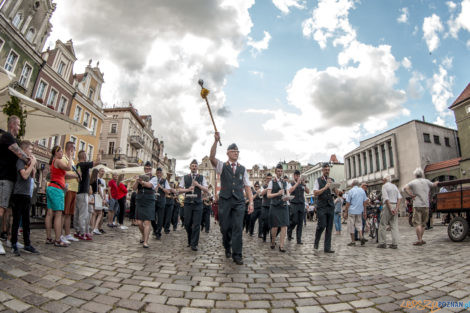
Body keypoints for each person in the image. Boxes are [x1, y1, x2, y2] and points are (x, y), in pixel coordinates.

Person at [210, 133, 253, 265]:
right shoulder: (222, 166)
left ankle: (237, 254)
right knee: (225, 227)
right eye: (233, 151)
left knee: (238, 227)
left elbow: (247, 187)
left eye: (237, 151)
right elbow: (212, 158)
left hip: (239, 201)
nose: (236, 153)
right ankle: (227, 245)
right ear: (228, 153)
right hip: (225, 201)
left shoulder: (242, 169)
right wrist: (216, 141)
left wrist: (251, 202)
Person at [0, 116, 30, 255]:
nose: (19, 127)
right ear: (12, 125)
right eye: (18, 125)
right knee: (1, 208)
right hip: (5, 178)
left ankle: (10, 238)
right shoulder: (7, 137)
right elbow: (17, 151)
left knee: (11, 211)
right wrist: (29, 160)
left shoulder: (15, 139)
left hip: (14, 181)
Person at [10, 140, 39, 255]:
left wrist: (33, 167)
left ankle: (27, 244)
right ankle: (14, 244)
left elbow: (31, 176)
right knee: (16, 220)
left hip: (27, 194)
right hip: (19, 194)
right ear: (24, 150)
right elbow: (24, 175)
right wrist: (31, 164)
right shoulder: (20, 161)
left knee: (27, 221)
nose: (32, 151)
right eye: (30, 149)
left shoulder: (27, 162)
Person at [45, 145, 73, 247]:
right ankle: (57, 239)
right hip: (57, 189)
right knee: (58, 214)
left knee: (49, 213)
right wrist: (70, 157)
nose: (62, 153)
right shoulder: (58, 161)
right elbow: (68, 167)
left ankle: (49, 237)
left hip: (51, 187)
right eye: (60, 151)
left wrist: (74, 175)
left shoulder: (54, 162)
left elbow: (63, 174)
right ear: (56, 153)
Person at [179, 160, 209, 251]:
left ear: (197, 168)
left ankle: (194, 244)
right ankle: (190, 239)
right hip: (188, 203)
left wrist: (198, 185)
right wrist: (187, 189)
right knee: (187, 223)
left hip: (198, 203)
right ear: (190, 167)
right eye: (193, 166)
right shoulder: (185, 177)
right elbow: (179, 189)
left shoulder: (201, 177)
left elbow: (206, 190)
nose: (194, 167)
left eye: (196, 166)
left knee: (196, 224)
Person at [404, 168, 438, 246]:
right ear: (422, 174)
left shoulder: (413, 182)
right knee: (423, 224)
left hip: (417, 204)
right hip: (426, 204)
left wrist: (411, 195)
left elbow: (405, 188)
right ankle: (421, 239)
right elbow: (434, 185)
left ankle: (419, 239)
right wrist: (436, 183)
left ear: (415, 175)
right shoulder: (426, 181)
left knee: (417, 223)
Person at [75, 150, 101, 240]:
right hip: (82, 193)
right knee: (83, 213)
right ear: (84, 157)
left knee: (78, 213)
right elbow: (97, 162)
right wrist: (99, 154)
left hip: (78, 192)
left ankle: (78, 231)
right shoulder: (84, 165)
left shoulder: (78, 165)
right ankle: (83, 233)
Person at [267, 164, 291, 252]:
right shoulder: (271, 182)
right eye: (278, 171)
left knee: (284, 225)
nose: (280, 172)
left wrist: (288, 196)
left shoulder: (285, 182)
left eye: (281, 171)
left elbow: (287, 192)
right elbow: (268, 195)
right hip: (275, 206)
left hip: (284, 205)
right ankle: (273, 241)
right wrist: (277, 193)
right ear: (275, 172)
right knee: (275, 226)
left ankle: (281, 246)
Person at [133, 161, 158, 248]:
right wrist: (137, 181)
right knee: (139, 223)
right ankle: (143, 235)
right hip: (140, 200)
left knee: (147, 221)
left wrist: (142, 182)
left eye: (149, 168)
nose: (148, 170)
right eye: (146, 168)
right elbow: (134, 188)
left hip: (149, 201)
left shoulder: (154, 178)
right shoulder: (141, 176)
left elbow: (149, 185)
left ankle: (146, 241)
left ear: (151, 170)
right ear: (144, 169)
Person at [313, 163, 336, 253]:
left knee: (329, 227)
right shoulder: (318, 180)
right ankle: (316, 241)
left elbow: (336, 193)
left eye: (328, 169)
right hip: (321, 206)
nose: (327, 171)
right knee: (322, 225)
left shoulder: (332, 180)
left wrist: (335, 189)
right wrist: (325, 187)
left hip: (330, 205)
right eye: (326, 169)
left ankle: (327, 248)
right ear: (322, 170)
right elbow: (315, 193)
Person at [377, 175, 402, 249]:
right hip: (395, 204)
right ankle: (395, 243)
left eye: (383, 179)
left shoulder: (384, 186)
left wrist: (390, 208)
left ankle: (382, 242)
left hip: (388, 206)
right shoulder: (394, 186)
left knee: (383, 224)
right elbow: (399, 198)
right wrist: (397, 208)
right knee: (394, 225)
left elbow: (386, 198)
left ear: (385, 179)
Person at [62, 141, 79, 244]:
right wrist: (76, 176)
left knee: (69, 214)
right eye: (74, 149)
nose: (74, 151)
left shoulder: (72, 161)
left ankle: (68, 233)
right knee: (65, 212)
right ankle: (62, 234)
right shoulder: (64, 159)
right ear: (70, 149)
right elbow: (65, 173)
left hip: (73, 188)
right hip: (67, 188)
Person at [287, 170, 310, 244]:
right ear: (294, 176)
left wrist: (304, 184)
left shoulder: (302, 184)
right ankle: (289, 230)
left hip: (301, 204)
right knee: (294, 220)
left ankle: (298, 240)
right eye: (296, 175)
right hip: (294, 204)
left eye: (298, 175)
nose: (298, 177)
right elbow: (290, 191)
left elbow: (308, 191)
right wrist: (297, 183)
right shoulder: (291, 183)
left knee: (300, 222)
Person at [344, 180, 368, 246]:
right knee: (359, 224)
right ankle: (361, 237)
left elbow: (348, 202)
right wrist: (365, 211)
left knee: (351, 226)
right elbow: (365, 202)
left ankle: (353, 241)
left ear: (352, 184)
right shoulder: (362, 191)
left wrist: (345, 212)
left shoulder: (351, 191)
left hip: (352, 211)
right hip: (360, 210)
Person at [152, 168, 170, 239]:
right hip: (153, 200)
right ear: (156, 173)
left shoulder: (165, 181)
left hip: (161, 200)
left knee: (160, 217)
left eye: (160, 173)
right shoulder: (153, 180)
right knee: (152, 217)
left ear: (162, 174)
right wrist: (154, 188)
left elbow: (168, 191)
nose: (159, 174)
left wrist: (161, 187)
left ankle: (158, 233)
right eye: (158, 172)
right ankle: (155, 228)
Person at [90, 169, 105, 234]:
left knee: (94, 213)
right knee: (100, 213)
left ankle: (92, 228)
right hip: (96, 196)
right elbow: (99, 190)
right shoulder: (97, 180)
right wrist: (102, 198)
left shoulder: (90, 180)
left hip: (91, 196)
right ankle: (95, 227)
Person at [260, 174, 272, 242]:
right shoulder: (263, 186)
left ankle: (272, 238)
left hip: (272, 206)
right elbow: (261, 193)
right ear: (266, 179)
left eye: (270, 178)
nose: (269, 179)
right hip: (265, 206)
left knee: (273, 223)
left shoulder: (274, 186)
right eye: (268, 178)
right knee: (265, 223)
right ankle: (264, 236)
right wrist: (268, 188)